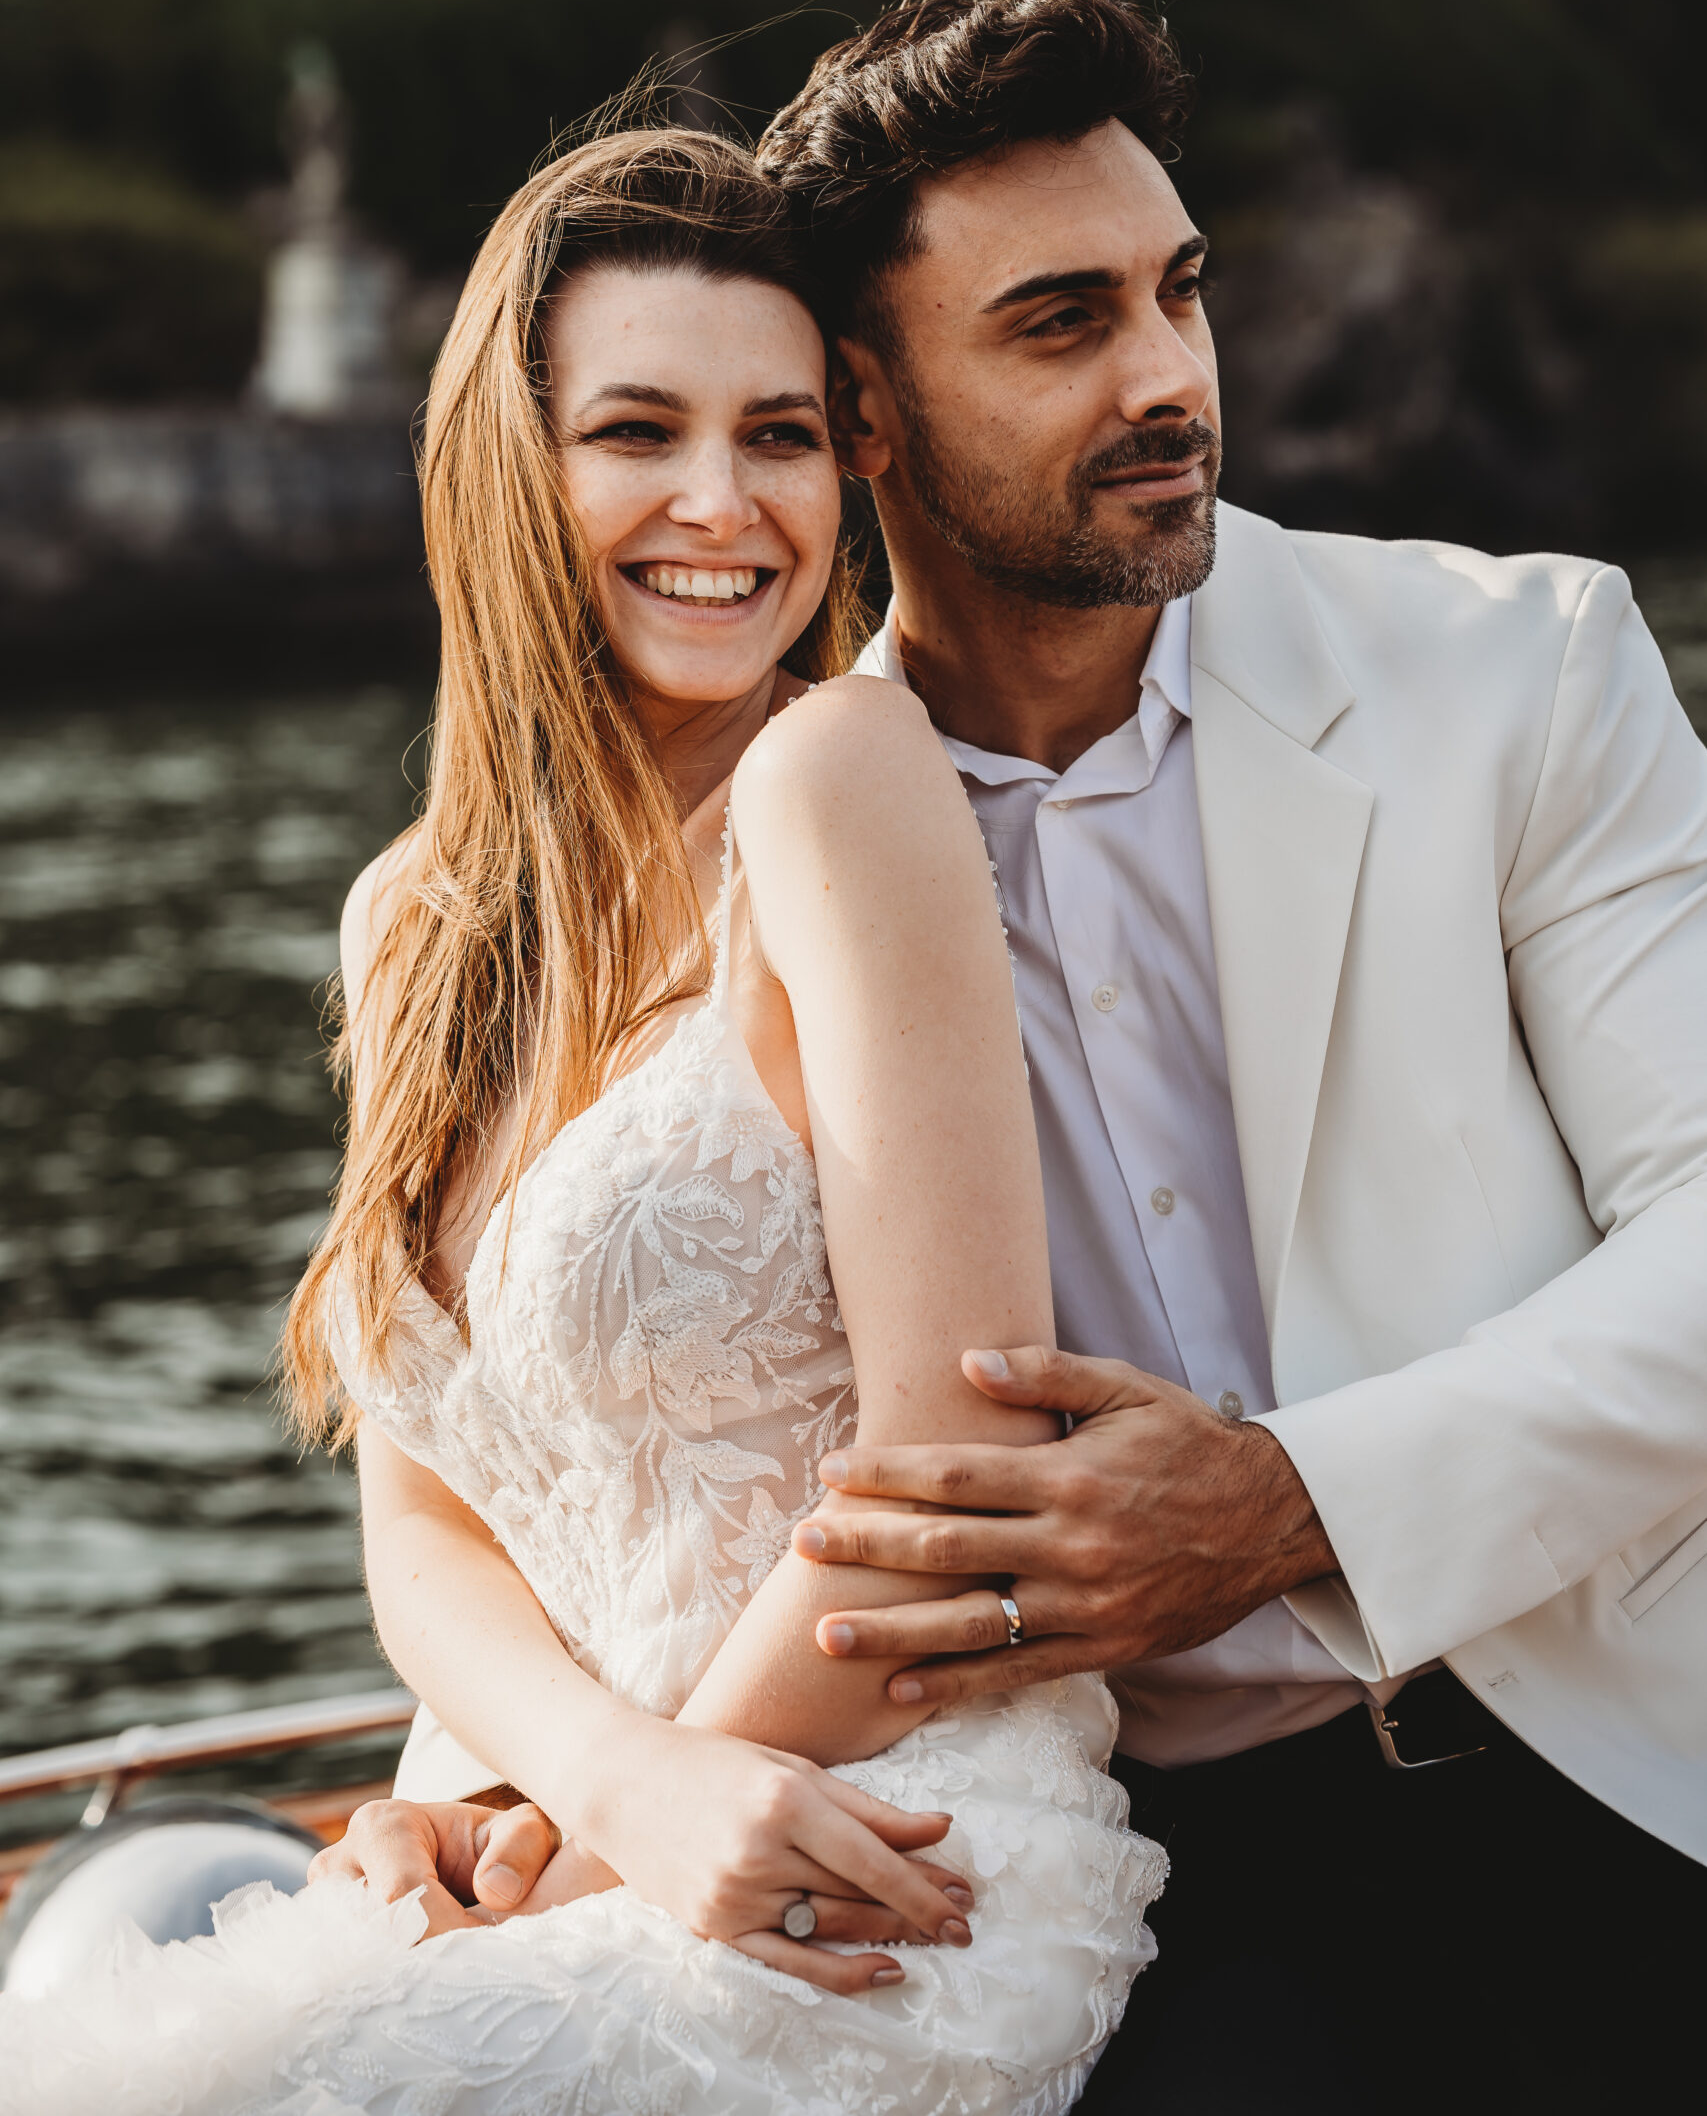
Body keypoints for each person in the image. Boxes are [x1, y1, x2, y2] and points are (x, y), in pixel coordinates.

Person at [348, 0, 1707, 2111]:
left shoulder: (1511, 671)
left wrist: (1292, 1499)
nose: (1169, 374)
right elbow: (596, 1408)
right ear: (871, 413)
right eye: (1060, 323)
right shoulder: (778, 813)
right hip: (1123, 1843)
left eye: (1178, 290)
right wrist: (522, 1772)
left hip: (1605, 1742)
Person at [0, 126, 1165, 2113]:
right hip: (587, 1817)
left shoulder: (836, 771)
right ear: (509, 469)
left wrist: (623, 1828)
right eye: (637, 429)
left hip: (875, 1843)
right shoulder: (409, 925)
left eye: (779, 436)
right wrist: (535, 1798)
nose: (721, 504)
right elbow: (429, 1519)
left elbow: (947, 1443)